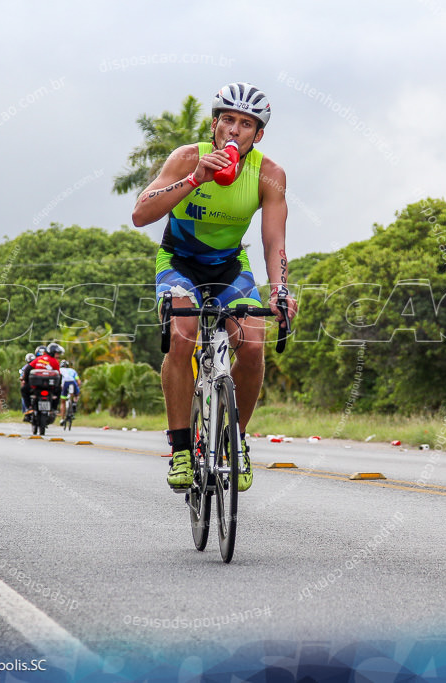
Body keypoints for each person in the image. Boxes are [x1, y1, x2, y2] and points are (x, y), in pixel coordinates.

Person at [131, 82, 298, 493]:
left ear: (257, 135)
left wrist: (279, 291)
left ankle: (235, 442)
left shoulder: (269, 174)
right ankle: (182, 449)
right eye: (227, 120)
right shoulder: (187, 158)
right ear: (214, 124)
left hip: (228, 267)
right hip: (179, 263)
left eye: (245, 124)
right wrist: (193, 179)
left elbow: (273, 241)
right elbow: (140, 214)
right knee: (182, 334)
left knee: (255, 345)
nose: (234, 131)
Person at [20, 343, 63, 419]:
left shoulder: (39, 359)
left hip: (36, 386)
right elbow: (59, 375)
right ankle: (53, 408)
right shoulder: (55, 362)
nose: (58, 356)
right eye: (57, 353)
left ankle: (29, 407)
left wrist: (26, 381)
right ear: (53, 353)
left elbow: (27, 369)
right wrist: (57, 386)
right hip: (50, 386)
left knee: (24, 390)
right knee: (59, 391)